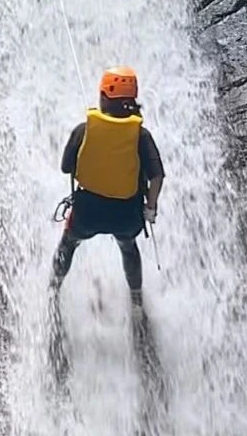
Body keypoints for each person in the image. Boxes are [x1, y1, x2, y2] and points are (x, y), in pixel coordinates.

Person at [52, 68, 164, 305]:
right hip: (126, 214)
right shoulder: (141, 135)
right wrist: (150, 208)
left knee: (69, 243)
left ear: (104, 97)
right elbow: (157, 176)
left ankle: (53, 291)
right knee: (128, 246)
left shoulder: (83, 130)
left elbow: (65, 168)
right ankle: (136, 300)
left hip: (87, 213)